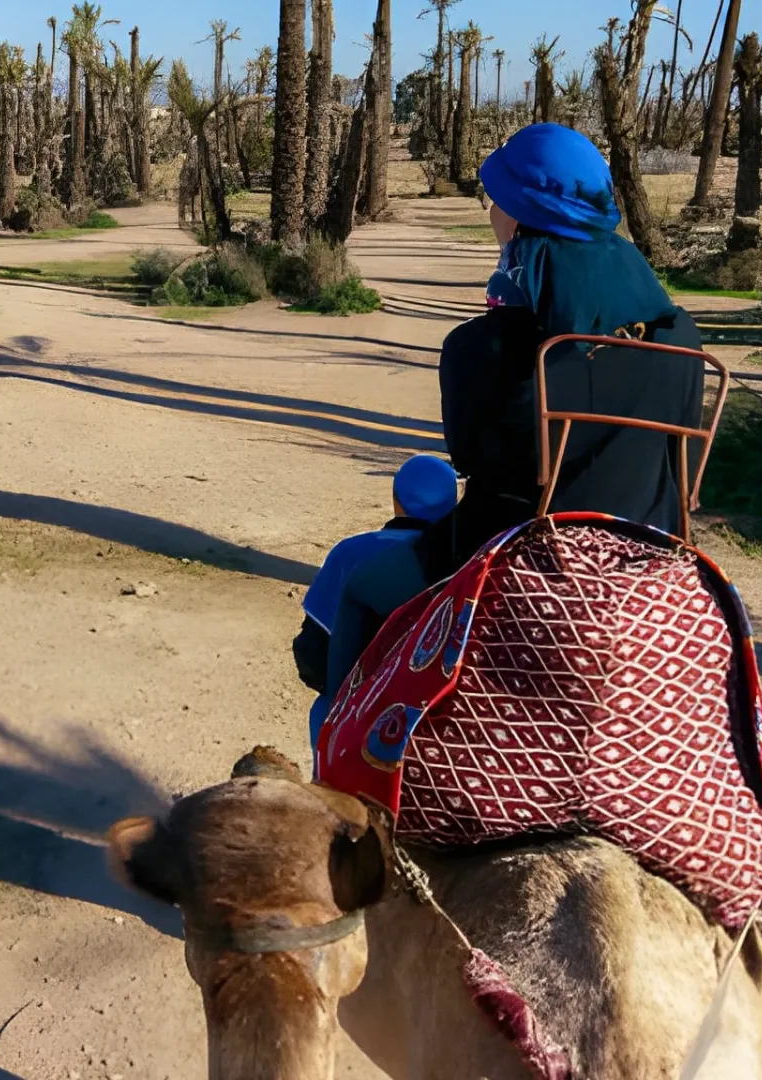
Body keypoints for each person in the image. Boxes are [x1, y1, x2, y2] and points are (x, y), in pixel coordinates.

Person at [428, 123, 707, 579]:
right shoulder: (681, 337)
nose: (492, 212)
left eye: (497, 201)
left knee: (358, 577)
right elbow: (683, 468)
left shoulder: (478, 347)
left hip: (512, 574)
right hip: (652, 572)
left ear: (516, 219)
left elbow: (473, 462)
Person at [295, 454, 458, 746]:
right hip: (434, 715)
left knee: (323, 709)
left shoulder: (349, 553)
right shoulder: (467, 560)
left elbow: (312, 652)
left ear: (396, 501)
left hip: (353, 716)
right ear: (452, 506)